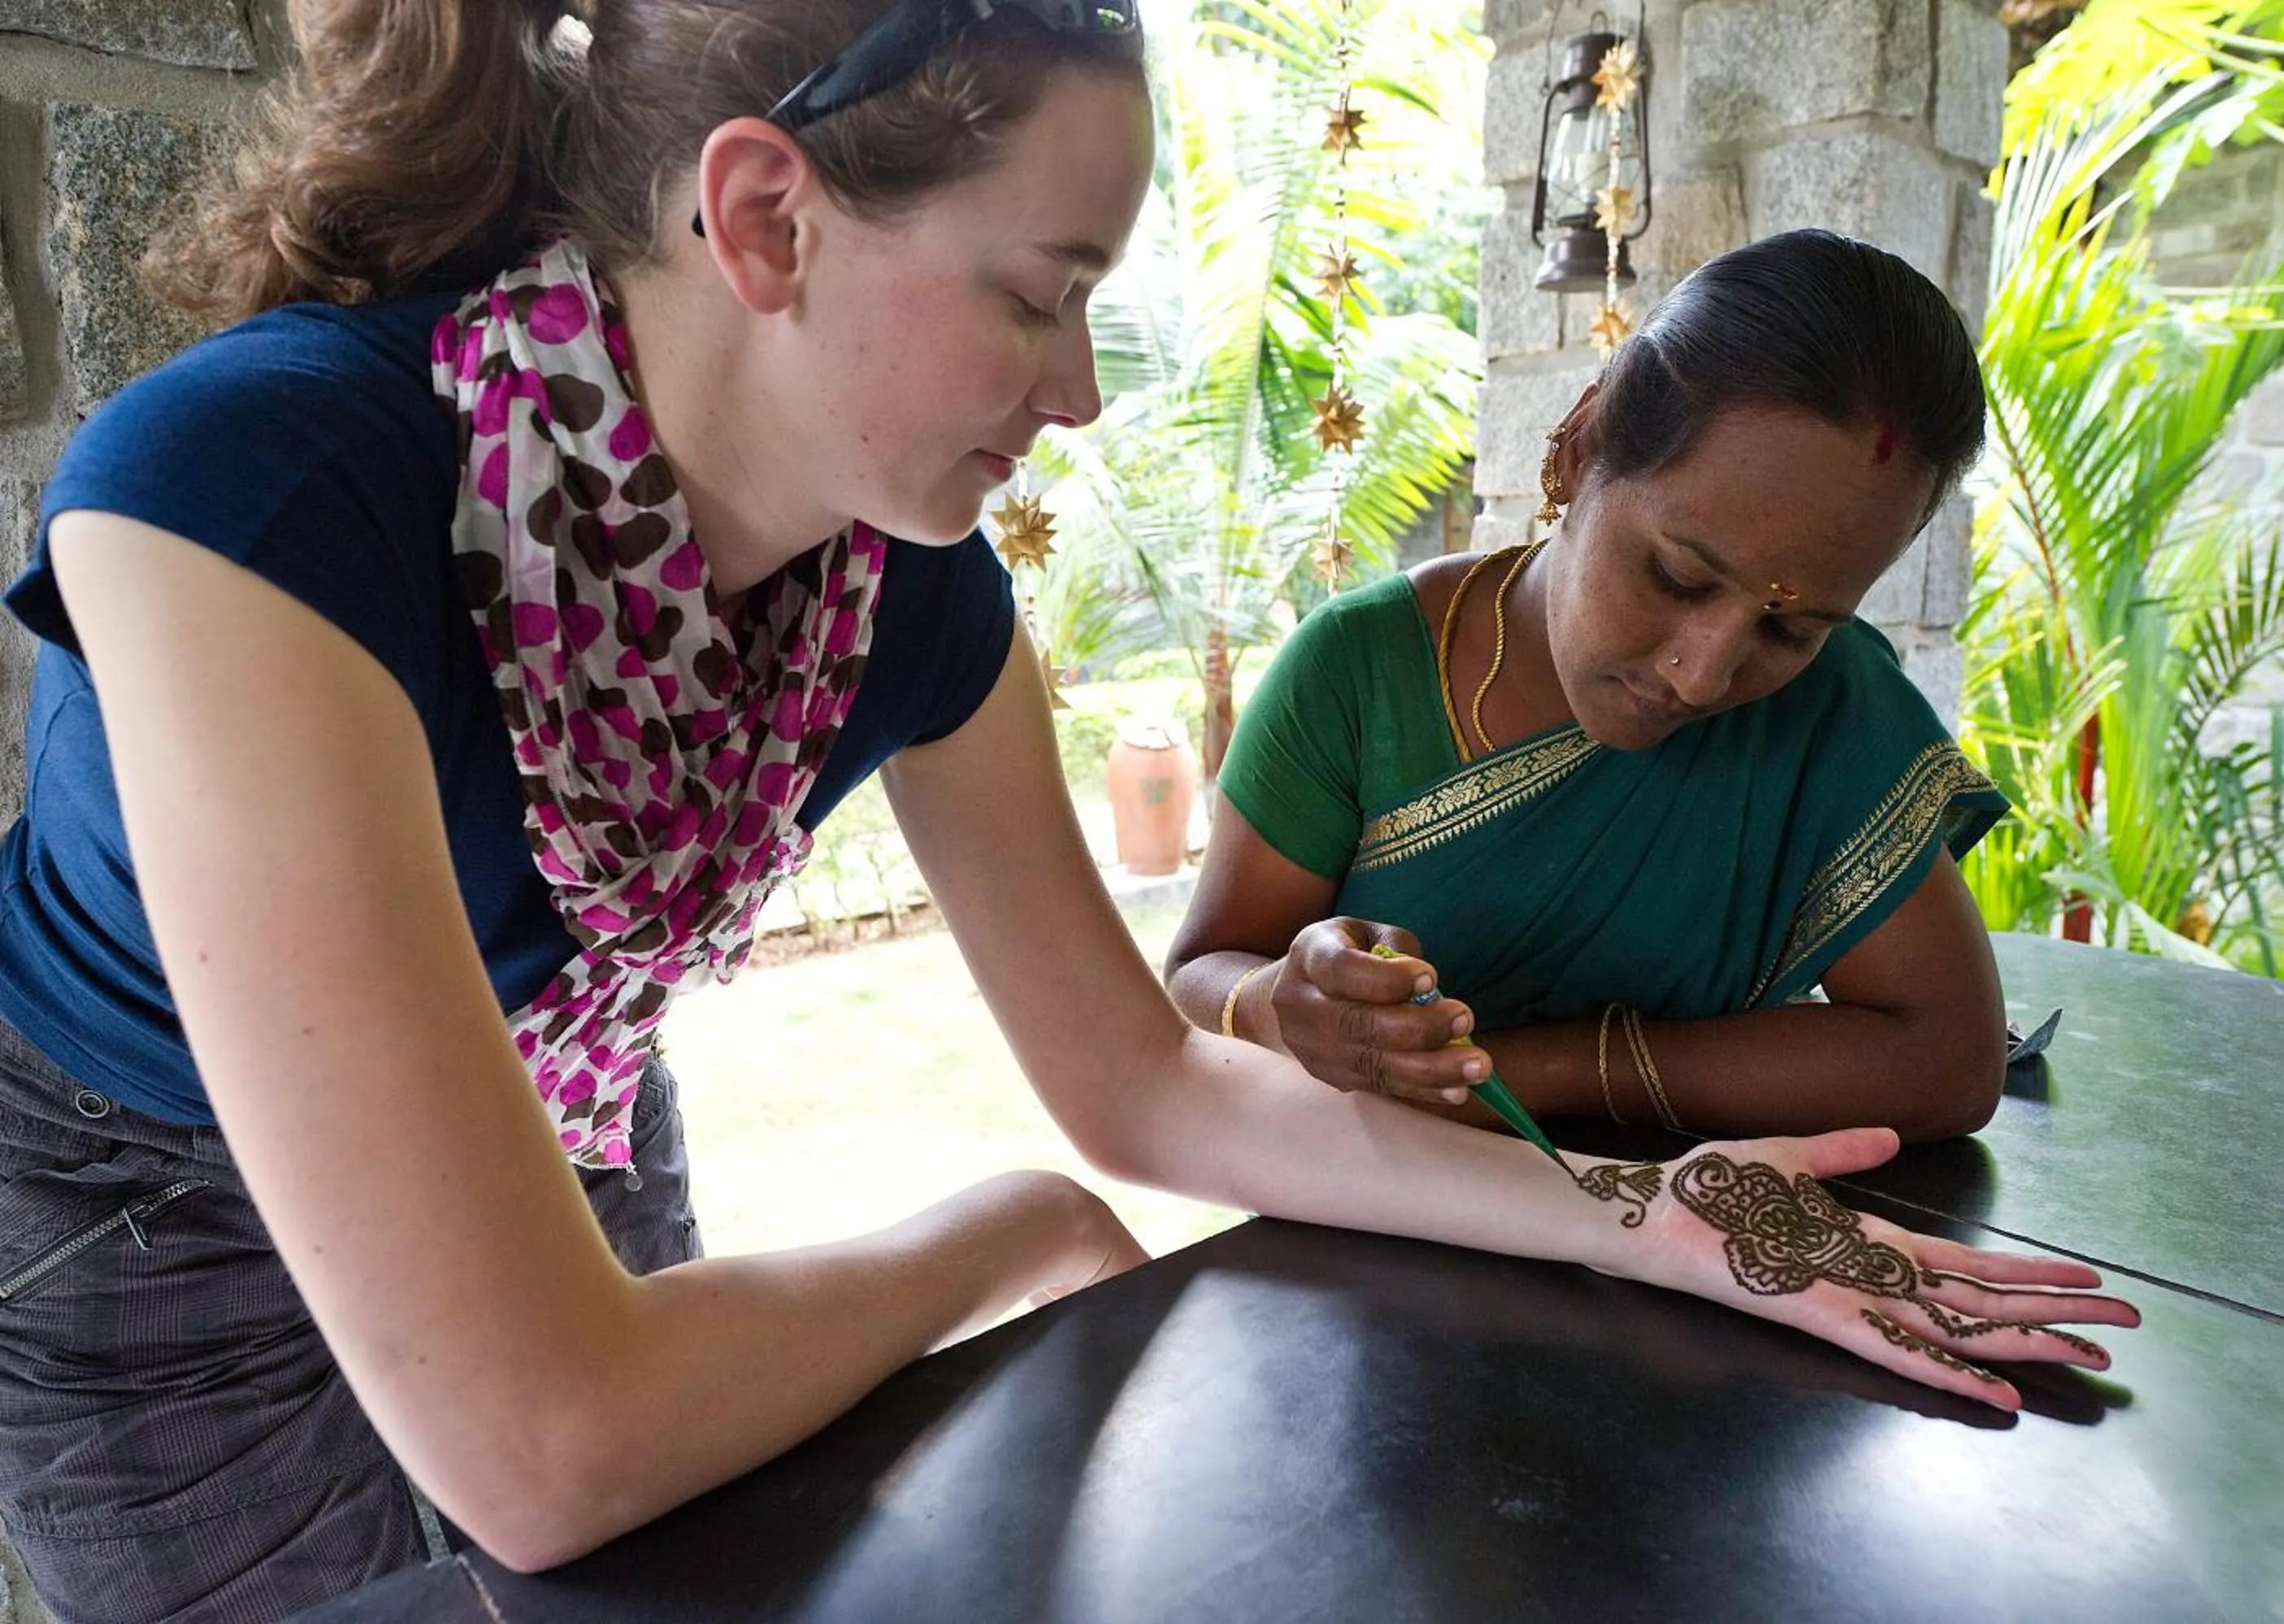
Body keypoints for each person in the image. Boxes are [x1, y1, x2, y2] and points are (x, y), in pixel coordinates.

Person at [0, 2, 2133, 1616]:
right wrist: (992, 1227)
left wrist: (1660, 1219)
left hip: (557, 1120)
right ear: (764, 216)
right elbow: (546, 1429)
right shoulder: (251, 503)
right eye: (1038, 295)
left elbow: (1150, 1080)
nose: (1081, 389)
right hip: (137, 1202)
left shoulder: (905, 589)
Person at [1169, 230, 2016, 1146]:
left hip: (1670, 1241)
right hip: (1341, 1228)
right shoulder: (1358, 670)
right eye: (1679, 578)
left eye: (1791, 628)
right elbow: (1198, 975)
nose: (1702, 674)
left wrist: (1539, 1068)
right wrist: (1278, 1000)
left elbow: (1949, 1061)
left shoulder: (1828, 710)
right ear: (1581, 447)